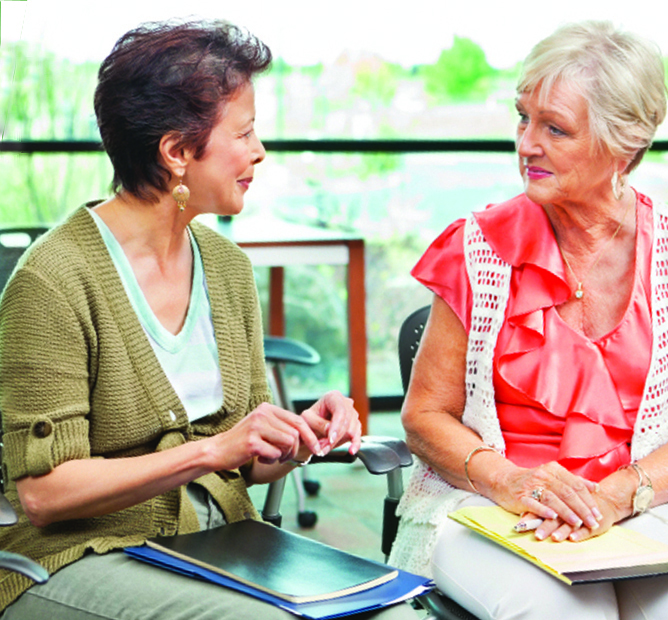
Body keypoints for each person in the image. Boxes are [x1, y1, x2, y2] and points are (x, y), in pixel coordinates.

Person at [0, 20, 415, 620]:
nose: (259, 151)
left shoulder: (225, 267)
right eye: (243, 133)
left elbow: (244, 458)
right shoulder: (53, 281)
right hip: (74, 556)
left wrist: (300, 436)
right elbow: (43, 494)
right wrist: (211, 451)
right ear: (176, 153)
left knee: (395, 614)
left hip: (216, 544)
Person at [389, 20, 668, 620]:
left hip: (650, 500)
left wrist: (616, 495)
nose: (526, 143)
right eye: (523, 118)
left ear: (622, 144)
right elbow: (425, 416)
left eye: (555, 128)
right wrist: (508, 482)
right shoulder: (474, 247)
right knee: (566, 614)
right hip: (488, 501)